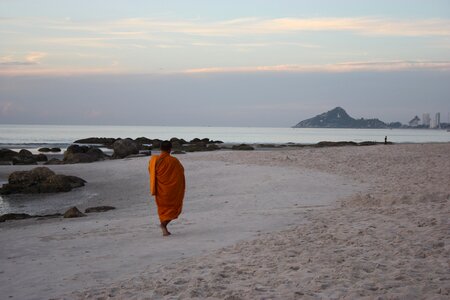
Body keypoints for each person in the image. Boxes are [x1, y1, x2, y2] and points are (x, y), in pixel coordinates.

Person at [148, 141, 185, 236]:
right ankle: (163, 225)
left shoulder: (154, 160)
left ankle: (164, 226)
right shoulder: (174, 161)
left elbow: (151, 171)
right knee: (173, 209)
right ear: (170, 149)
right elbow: (181, 171)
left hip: (160, 189)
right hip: (172, 191)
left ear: (160, 148)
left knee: (163, 209)